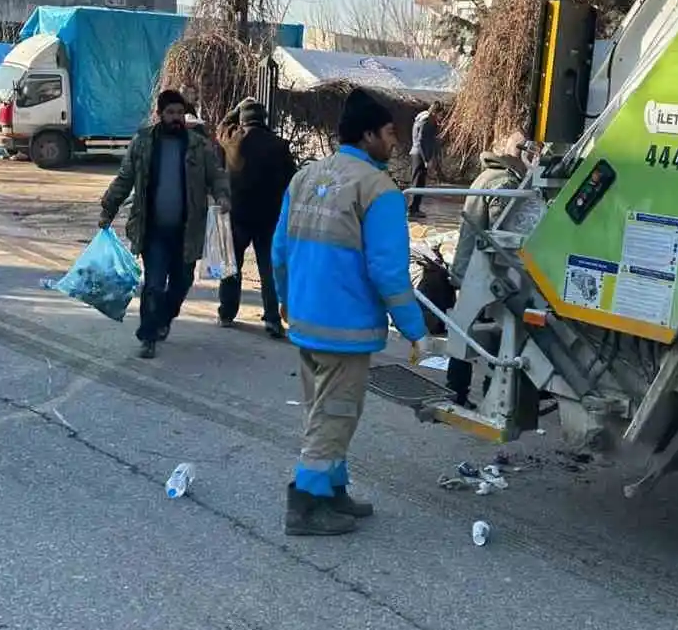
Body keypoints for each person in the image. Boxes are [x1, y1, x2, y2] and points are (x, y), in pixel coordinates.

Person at [273, 87, 431, 536]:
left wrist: (285, 297)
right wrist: (416, 331)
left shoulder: (305, 177)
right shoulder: (378, 190)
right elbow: (389, 272)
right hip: (345, 328)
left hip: (306, 319)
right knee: (336, 414)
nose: (395, 142)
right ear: (367, 135)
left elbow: (279, 247)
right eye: (388, 132)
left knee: (322, 411)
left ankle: (331, 492)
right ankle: (304, 505)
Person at [100, 89, 230, 360]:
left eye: (180, 113)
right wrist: (108, 210)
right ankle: (148, 336)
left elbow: (216, 175)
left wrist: (223, 195)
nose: (176, 118)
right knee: (154, 284)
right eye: (170, 113)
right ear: (160, 115)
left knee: (181, 283)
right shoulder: (144, 143)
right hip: (154, 230)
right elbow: (125, 179)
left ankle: (164, 318)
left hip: (187, 230)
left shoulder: (198, 145)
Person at [447, 130, 528, 407]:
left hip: (467, 267)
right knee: (497, 331)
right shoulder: (505, 182)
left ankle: (455, 392)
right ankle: (491, 393)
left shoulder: (487, 176)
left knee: (466, 328)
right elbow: (503, 234)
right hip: (484, 272)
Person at [216, 98, 296, 338]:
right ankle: (272, 319)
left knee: (232, 267)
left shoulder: (231, 139)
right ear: (264, 119)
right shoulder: (279, 145)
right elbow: (291, 180)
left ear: (242, 119)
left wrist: (236, 107)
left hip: (237, 215)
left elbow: (221, 125)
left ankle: (227, 313)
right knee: (268, 269)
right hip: (268, 217)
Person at [407, 101, 444, 218]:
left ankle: (415, 208)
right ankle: (413, 209)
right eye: (440, 114)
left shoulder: (422, 119)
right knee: (417, 182)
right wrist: (426, 159)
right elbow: (421, 140)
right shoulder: (426, 121)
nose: (441, 117)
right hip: (419, 154)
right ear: (435, 112)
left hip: (417, 153)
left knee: (419, 182)